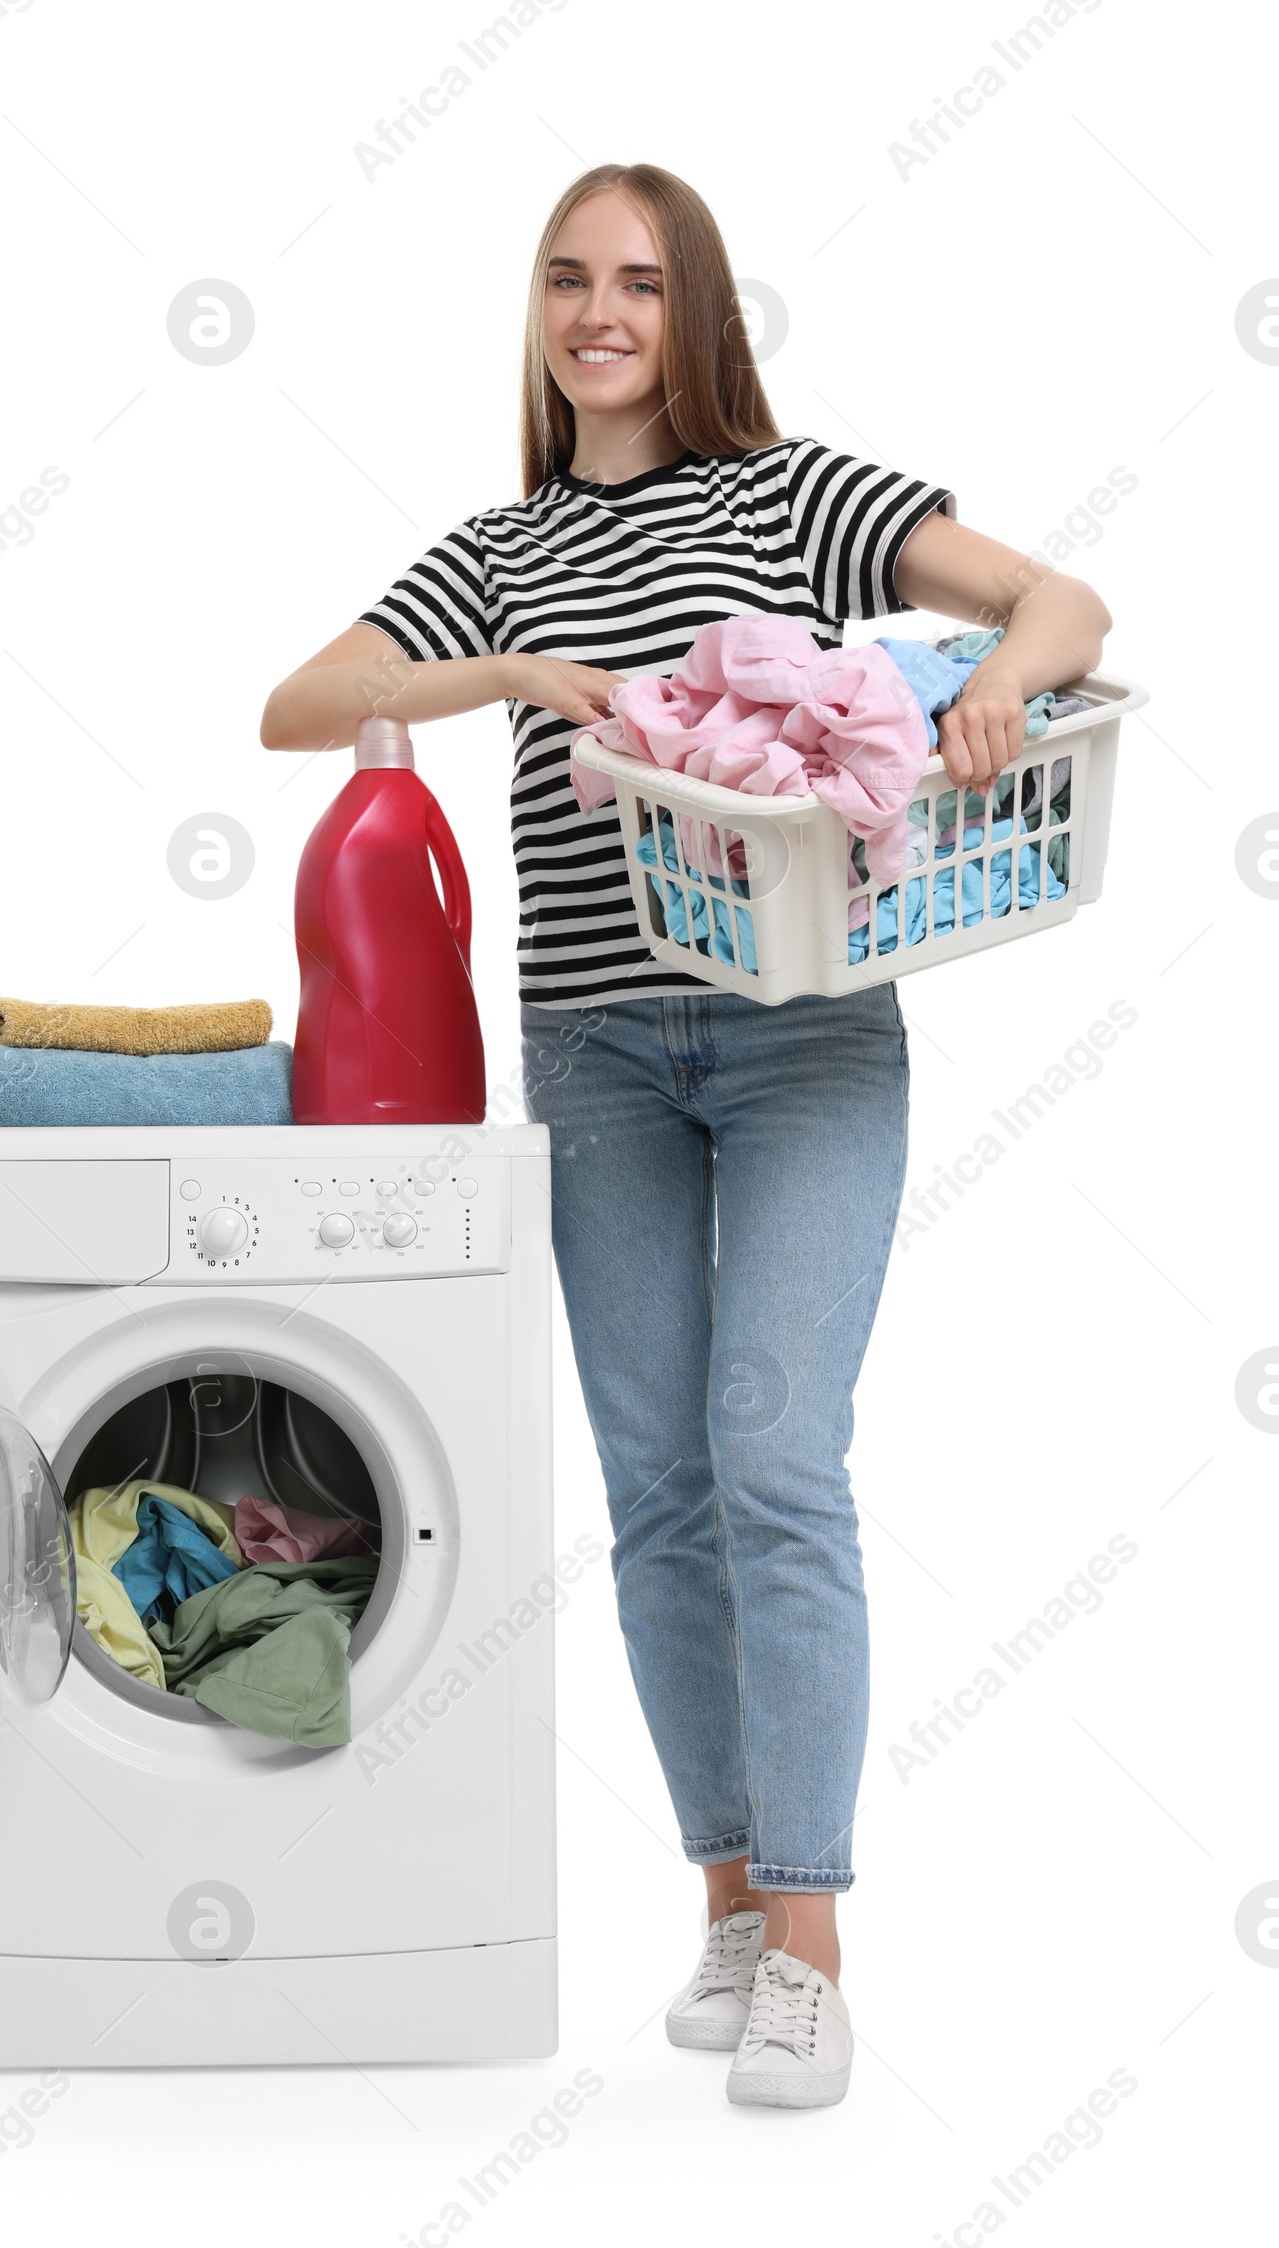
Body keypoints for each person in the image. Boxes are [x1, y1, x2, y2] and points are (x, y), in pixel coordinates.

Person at [262, 163, 1110, 2109]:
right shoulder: (495, 546)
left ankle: (808, 1938)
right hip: (590, 1052)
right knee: (655, 1484)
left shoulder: (793, 493)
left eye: (638, 281)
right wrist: (503, 671)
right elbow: (296, 703)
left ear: (693, 309)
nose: (597, 312)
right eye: (566, 278)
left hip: (801, 1041)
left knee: (770, 1449)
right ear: (538, 313)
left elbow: (1061, 595)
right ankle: (724, 1903)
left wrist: (986, 695)